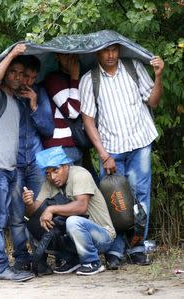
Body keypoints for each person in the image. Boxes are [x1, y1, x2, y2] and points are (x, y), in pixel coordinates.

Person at [79, 44, 164, 267]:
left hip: (140, 143)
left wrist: (158, 76)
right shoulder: (90, 79)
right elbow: (88, 121)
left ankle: (137, 247)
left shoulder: (134, 67)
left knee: (140, 196)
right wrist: (103, 154)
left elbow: (153, 101)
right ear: (96, 52)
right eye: (105, 51)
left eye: (114, 50)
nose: (110, 55)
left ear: (119, 51)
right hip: (111, 150)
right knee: (113, 201)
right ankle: (115, 251)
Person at [0, 43, 34, 282]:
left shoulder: (16, 102)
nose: (18, 77)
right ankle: (0, 268)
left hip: (10, 170)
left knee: (13, 218)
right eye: (14, 72)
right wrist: (11, 54)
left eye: (21, 73)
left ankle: (7, 265)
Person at [22, 146, 116, 275]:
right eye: (48, 173)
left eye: (56, 170)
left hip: (103, 236)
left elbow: (81, 207)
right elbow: (32, 213)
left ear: (66, 166)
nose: (53, 177)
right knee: (32, 222)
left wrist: (51, 209)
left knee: (72, 221)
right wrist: (29, 203)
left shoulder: (80, 175)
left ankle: (92, 262)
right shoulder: (50, 182)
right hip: (76, 237)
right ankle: (73, 260)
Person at [9, 55, 54, 274]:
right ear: (17, 74)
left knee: (39, 209)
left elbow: (48, 129)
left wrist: (34, 104)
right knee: (17, 214)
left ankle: (40, 257)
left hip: (36, 160)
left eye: (33, 77)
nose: (28, 81)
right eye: (25, 76)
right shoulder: (7, 94)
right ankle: (20, 258)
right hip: (13, 162)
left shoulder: (39, 92)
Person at [42, 53, 83, 162]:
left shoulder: (81, 79)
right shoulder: (53, 79)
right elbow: (72, 112)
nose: (71, 59)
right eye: (65, 55)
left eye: (73, 55)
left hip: (75, 144)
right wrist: (74, 77)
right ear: (57, 56)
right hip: (59, 147)